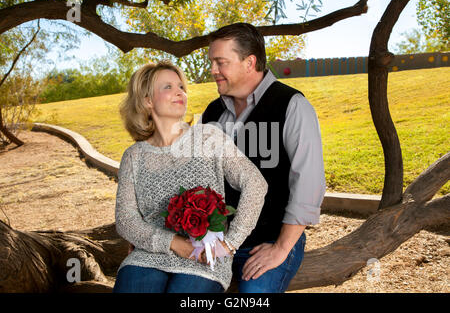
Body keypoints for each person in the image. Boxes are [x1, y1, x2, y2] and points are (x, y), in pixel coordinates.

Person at [113, 60, 268, 293]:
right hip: (148, 256)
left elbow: (255, 183)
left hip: (203, 259)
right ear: (147, 100)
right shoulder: (134, 156)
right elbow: (126, 219)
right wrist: (172, 243)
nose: (179, 92)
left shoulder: (209, 137)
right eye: (168, 87)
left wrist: (230, 243)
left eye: (181, 87)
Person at [199, 23, 326, 293]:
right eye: (212, 62)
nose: (212, 70)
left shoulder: (292, 105)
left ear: (249, 62)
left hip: (266, 242)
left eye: (220, 62)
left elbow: (309, 182)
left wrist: (281, 248)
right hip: (216, 242)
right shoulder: (212, 113)